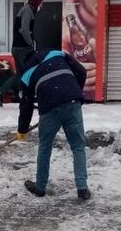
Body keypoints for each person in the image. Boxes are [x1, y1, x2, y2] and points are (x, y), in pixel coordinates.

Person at [16, 49, 91, 200]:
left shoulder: (26, 74)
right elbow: (82, 71)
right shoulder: (57, 54)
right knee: (78, 146)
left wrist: (22, 130)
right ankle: (82, 189)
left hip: (49, 109)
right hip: (72, 103)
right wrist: (74, 93)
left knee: (45, 147)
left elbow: (26, 105)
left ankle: (40, 187)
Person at [0, 0, 44, 106]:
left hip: (17, 48)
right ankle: (28, 98)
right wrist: (31, 43)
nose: (42, 5)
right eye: (41, 2)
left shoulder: (26, 10)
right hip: (23, 49)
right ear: (36, 2)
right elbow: (24, 29)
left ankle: (0, 92)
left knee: (21, 74)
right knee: (30, 73)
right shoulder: (27, 11)